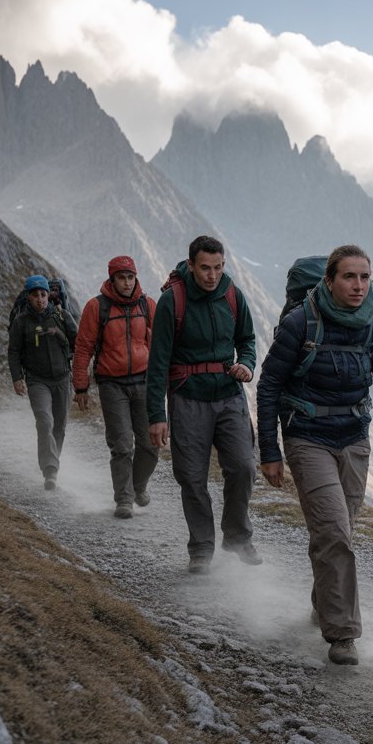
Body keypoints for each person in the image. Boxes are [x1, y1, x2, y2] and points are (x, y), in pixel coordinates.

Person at [256, 245, 373, 665]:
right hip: (307, 438)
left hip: (354, 441)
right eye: (349, 277)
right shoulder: (300, 323)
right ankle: (342, 634)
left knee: (339, 528)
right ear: (329, 281)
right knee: (334, 533)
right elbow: (269, 385)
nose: (358, 286)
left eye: (365, 277)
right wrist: (269, 451)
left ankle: (325, 603)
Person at [146, 235, 261, 574]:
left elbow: (247, 340)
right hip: (187, 399)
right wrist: (157, 415)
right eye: (206, 268)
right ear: (192, 265)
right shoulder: (172, 301)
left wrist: (248, 365)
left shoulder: (232, 295)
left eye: (219, 267)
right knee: (191, 476)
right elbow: (158, 363)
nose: (213, 275)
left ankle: (237, 536)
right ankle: (201, 549)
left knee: (243, 467)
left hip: (229, 396)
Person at [73, 255, 159, 519]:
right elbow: (84, 347)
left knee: (150, 444)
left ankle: (137, 485)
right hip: (112, 384)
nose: (126, 282)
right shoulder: (96, 307)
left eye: (130, 277)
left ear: (136, 278)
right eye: (121, 278)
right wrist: (81, 387)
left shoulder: (148, 305)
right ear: (112, 279)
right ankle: (124, 499)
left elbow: (162, 344)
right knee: (122, 445)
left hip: (145, 382)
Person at [8, 274, 79, 490]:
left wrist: (81, 372)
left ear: (49, 295)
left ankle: (52, 461)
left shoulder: (61, 315)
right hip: (37, 381)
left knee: (60, 425)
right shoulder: (21, 322)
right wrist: (17, 378)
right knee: (44, 421)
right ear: (28, 297)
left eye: (43, 294)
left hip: (62, 378)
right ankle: (50, 470)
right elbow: (14, 351)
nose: (40, 299)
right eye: (35, 295)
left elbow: (79, 342)